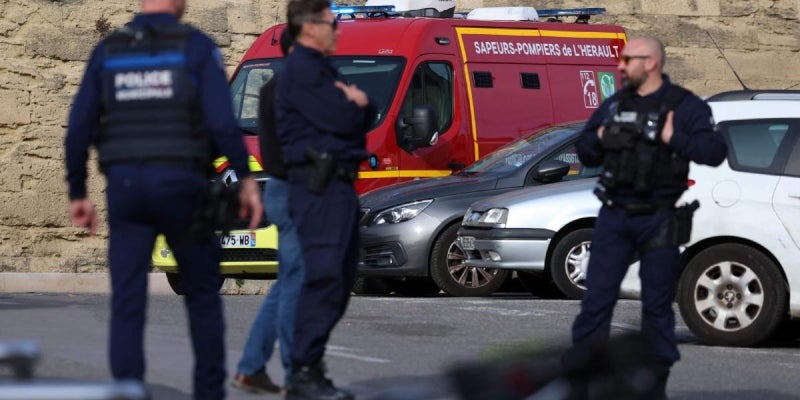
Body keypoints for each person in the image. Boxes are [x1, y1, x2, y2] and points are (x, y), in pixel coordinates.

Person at [64, 0, 263, 398]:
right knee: (203, 295)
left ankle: (127, 390)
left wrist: (78, 192)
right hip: (182, 187)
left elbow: (78, 126)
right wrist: (245, 181)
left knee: (127, 298)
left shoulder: (110, 49)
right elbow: (222, 124)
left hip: (126, 190)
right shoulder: (196, 47)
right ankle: (208, 392)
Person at [563, 36, 727, 399]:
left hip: (659, 217)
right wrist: (601, 137)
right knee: (595, 303)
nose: (620, 66)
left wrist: (674, 137)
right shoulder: (615, 104)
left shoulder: (683, 106)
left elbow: (715, 152)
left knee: (656, 306)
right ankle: (584, 384)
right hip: (615, 215)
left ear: (650, 62)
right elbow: (585, 150)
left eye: (628, 60)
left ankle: (653, 385)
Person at [275, 0, 376, 398]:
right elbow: (341, 118)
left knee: (339, 277)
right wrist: (354, 104)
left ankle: (310, 367)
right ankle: (303, 371)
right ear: (311, 27)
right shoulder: (302, 71)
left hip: (337, 185)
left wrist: (359, 104)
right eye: (333, 23)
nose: (338, 30)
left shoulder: (321, 68)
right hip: (319, 186)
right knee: (323, 277)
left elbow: (365, 113)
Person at [231, 28, 302, 394]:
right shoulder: (293, 87)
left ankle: (251, 366)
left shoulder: (276, 84)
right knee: (296, 286)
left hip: (282, 187)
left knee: (289, 283)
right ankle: (296, 375)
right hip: (296, 191)